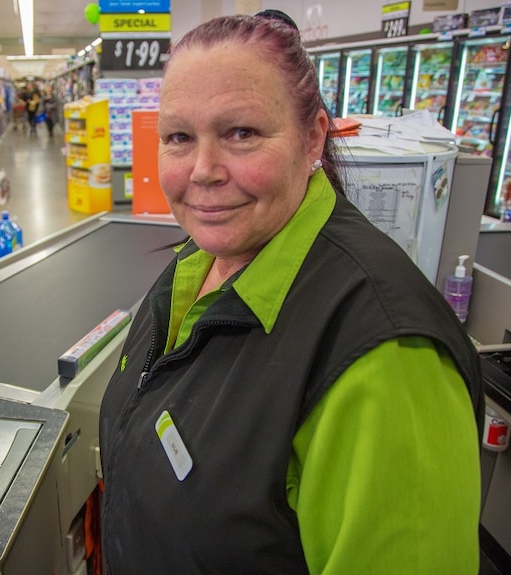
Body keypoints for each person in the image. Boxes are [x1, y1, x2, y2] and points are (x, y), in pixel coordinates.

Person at [98, 11, 484, 575]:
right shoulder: (202, 259)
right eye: (180, 137)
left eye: (242, 133)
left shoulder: (386, 358)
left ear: (313, 139)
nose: (203, 170)